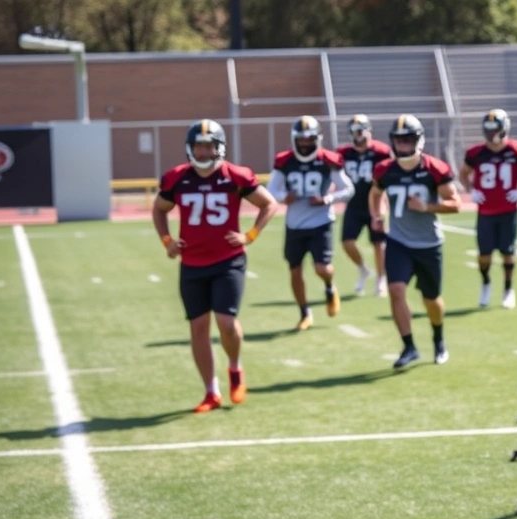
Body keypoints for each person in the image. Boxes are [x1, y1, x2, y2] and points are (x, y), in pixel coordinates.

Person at [152, 119, 279, 413]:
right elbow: (159, 210)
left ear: (219, 147)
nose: (205, 151)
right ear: (190, 148)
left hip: (227, 261)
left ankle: (235, 368)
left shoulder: (235, 175)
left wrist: (250, 235)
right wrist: (167, 240)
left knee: (225, 322)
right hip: (192, 263)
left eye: (209, 146)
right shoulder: (177, 178)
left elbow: (269, 204)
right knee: (198, 328)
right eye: (199, 145)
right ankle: (211, 391)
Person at [368, 114, 461, 369]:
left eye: (408, 140)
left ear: (419, 140)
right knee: (396, 290)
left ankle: (438, 338)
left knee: (431, 299)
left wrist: (427, 206)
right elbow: (375, 193)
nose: (404, 145)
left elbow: (456, 205)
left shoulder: (435, 168)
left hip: (428, 244)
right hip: (398, 241)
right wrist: (377, 214)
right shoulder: (385, 169)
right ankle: (409, 346)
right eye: (399, 140)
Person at [267, 115, 354, 331]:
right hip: (295, 224)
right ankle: (305, 312)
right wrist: (284, 196)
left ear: (317, 139)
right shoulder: (284, 160)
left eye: (310, 140)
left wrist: (327, 199)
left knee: (322, 268)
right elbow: (271, 190)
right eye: (302, 140)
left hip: (321, 221)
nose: (305, 144)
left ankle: (329, 286)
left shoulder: (328, 160)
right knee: (295, 270)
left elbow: (348, 189)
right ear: (295, 140)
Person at [459, 109, 517, 309]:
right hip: (485, 212)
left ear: (504, 128)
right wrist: (470, 190)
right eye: (487, 130)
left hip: (508, 210)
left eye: (494, 129)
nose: (491, 134)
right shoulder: (476, 153)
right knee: (484, 255)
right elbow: (463, 174)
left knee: (508, 252)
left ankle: (508, 288)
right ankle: (486, 283)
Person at [337, 114, 394, 295]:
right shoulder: (343, 153)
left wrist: (385, 205)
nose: (358, 135)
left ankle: (381, 278)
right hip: (353, 204)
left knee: (379, 243)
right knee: (347, 242)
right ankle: (363, 268)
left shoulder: (382, 151)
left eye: (361, 130)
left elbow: (389, 176)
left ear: (368, 130)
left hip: (375, 203)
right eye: (355, 131)